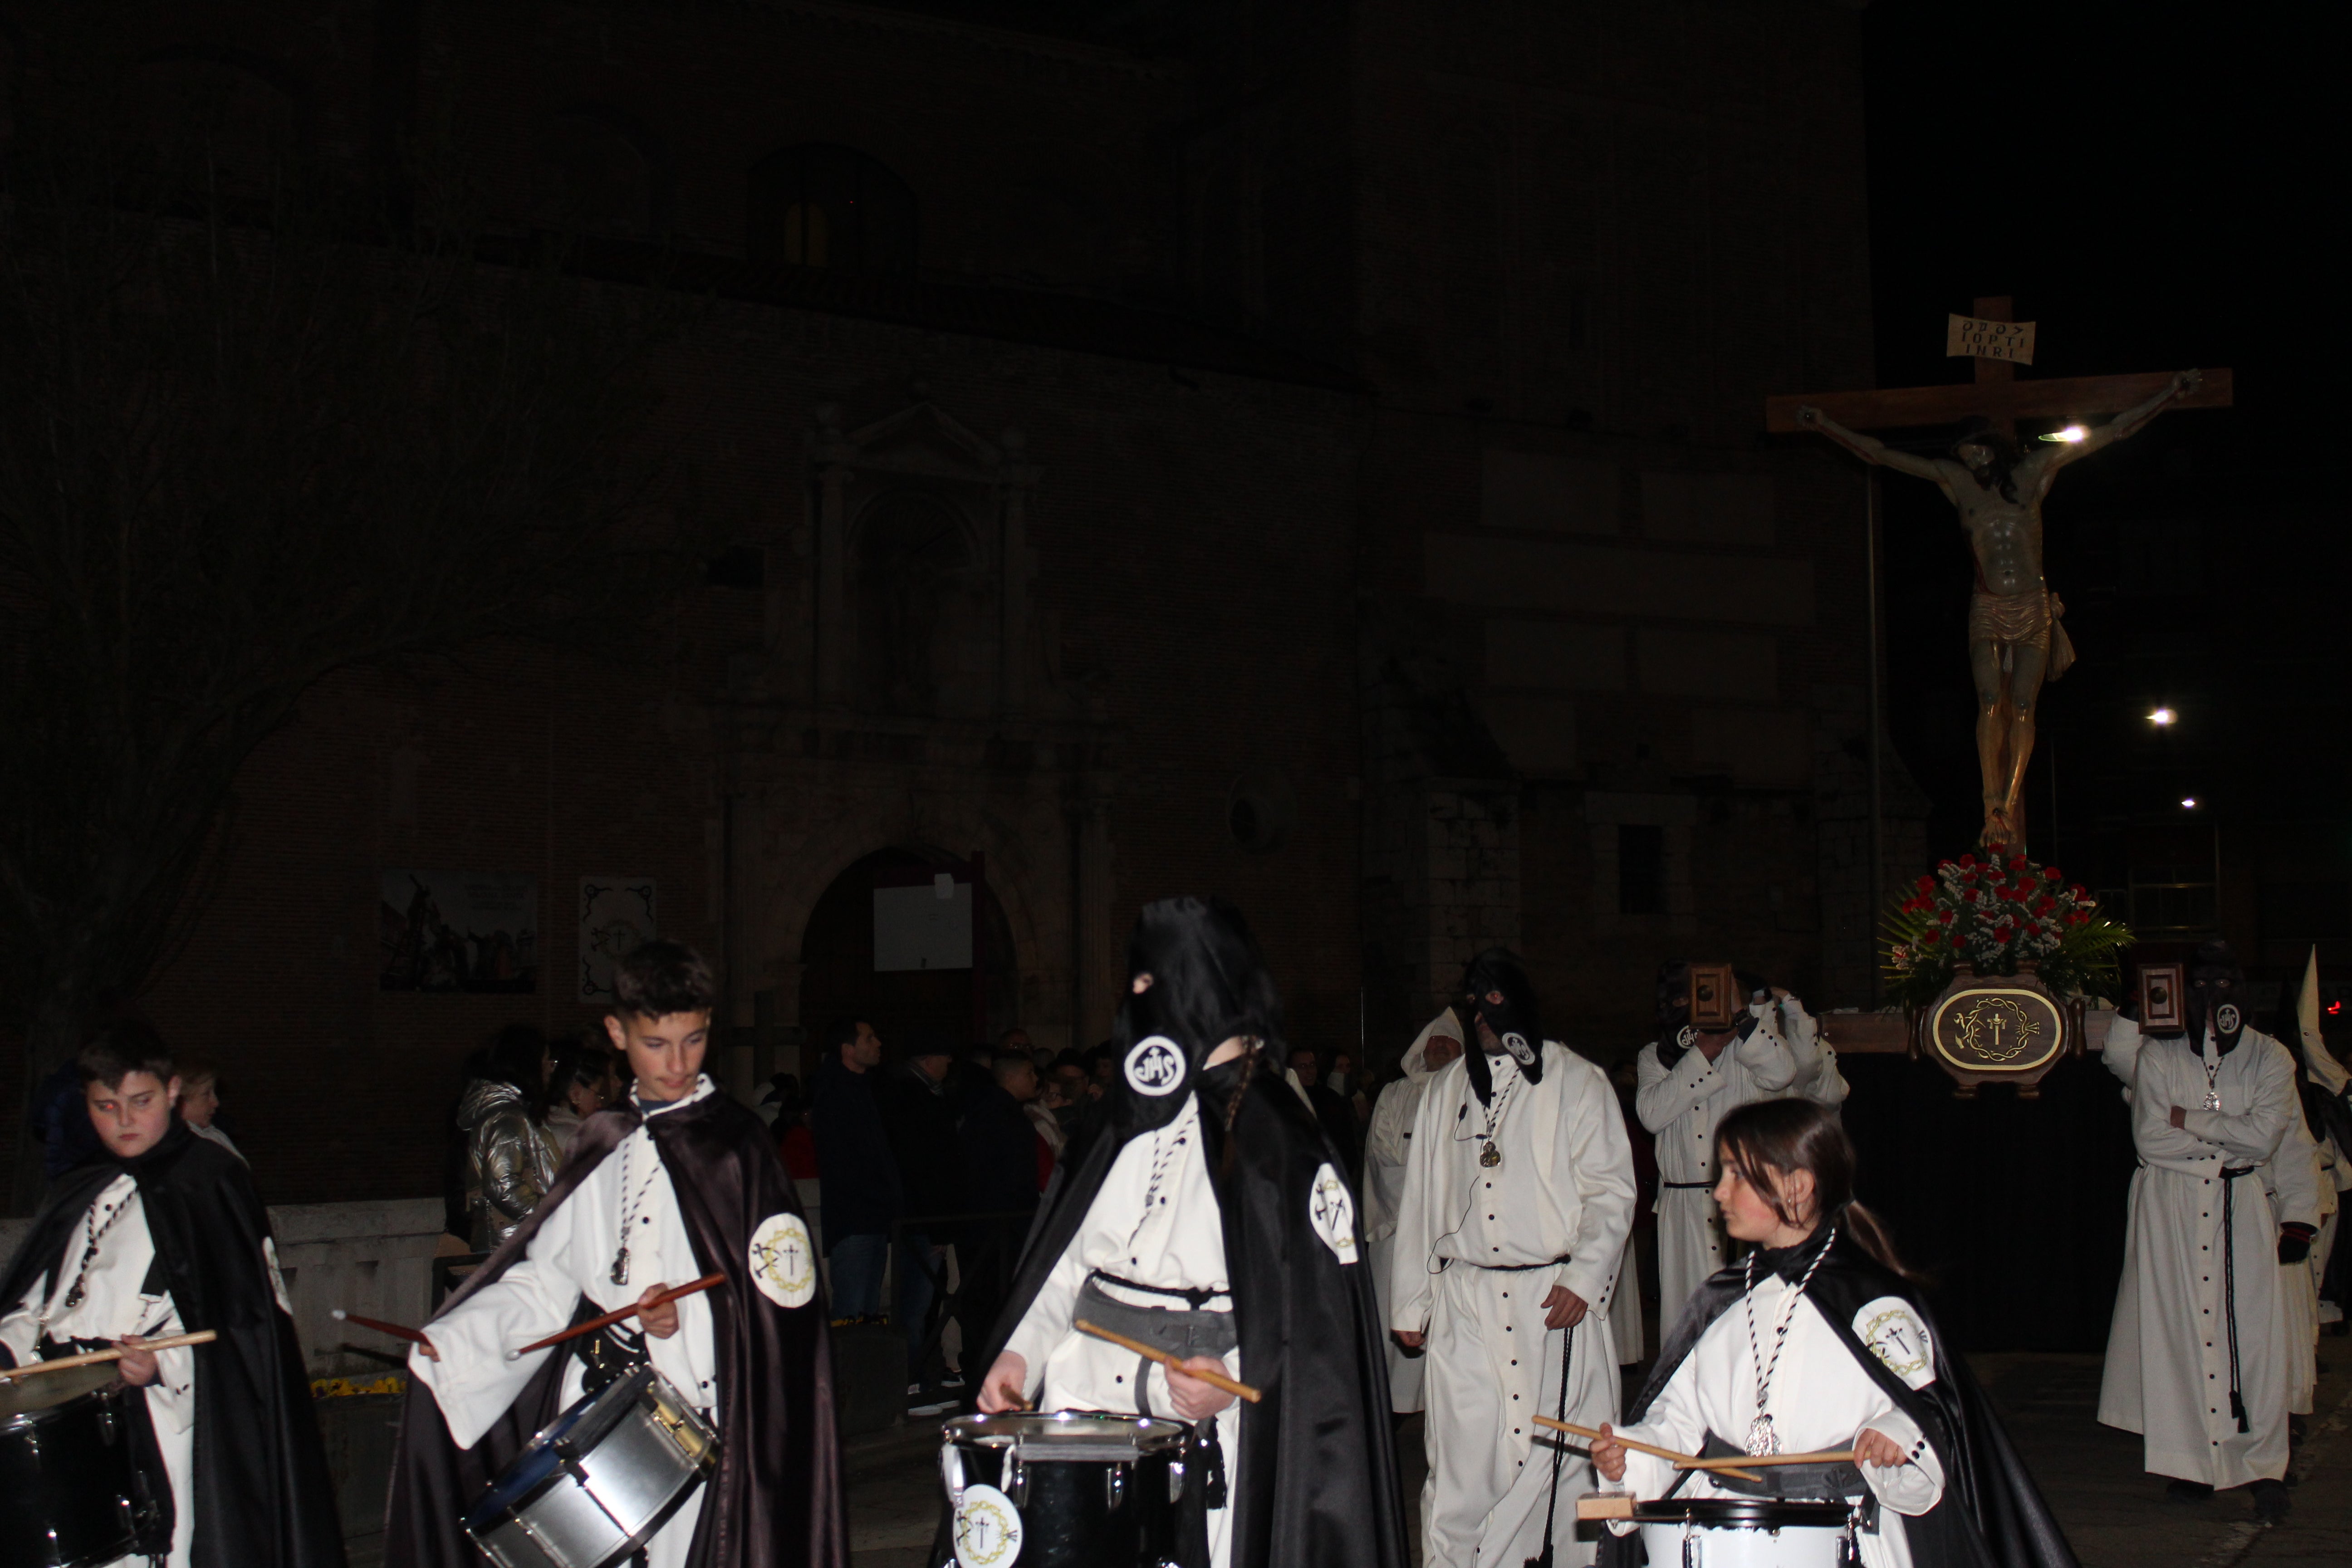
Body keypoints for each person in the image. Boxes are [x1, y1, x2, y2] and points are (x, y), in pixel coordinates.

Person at [975, 897, 1407, 1568]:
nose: (1137, 1003)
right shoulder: (1118, 1116)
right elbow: (1066, 1267)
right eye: (1135, 986)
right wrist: (1021, 1355)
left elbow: (1318, 1321)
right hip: (1081, 1402)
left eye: (1154, 985)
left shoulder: (1279, 1138)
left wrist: (1233, 1374)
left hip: (1206, 1420)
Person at [388, 942, 845, 1568]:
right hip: (589, 1408)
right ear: (618, 1033)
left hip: (686, 1417)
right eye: (657, 1044)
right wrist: (460, 1339)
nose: (678, 1063)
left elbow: (782, 1306)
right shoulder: (602, 1139)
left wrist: (691, 1320)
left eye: (694, 1039)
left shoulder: (740, 1149)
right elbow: (546, 1283)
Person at [1589, 1098, 2076, 1568]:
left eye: (1737, 1174)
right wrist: (1629, 1456)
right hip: (1725, 1537)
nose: (1719, 1191)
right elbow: (1677, 1421)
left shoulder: (1874, 1304)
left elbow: (1931, 1411)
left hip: (1841, 1531)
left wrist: (1894, 1434)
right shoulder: (1721, 1300)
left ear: (1797, 1187)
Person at [0, 1022, 346, 1568]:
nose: (124, 1121)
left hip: (163, 1426)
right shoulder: (82, 1186)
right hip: (69, 1425)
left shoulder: (212, 1183)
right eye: (105, 1105)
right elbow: (40, 1302)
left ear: (173, 1091)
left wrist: (165, 1365)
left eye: (140, 1102)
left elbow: (249, 1336)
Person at [1389, 948, 1637, 1568]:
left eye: (1495, 1002)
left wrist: (1585, 1275)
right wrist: (1411, 1301)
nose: (1483, 1019)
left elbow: (1611, 1191)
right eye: (1474, 1006)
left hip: (1553, 1299)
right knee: (1462, 1457)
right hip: (1467, 1301)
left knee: (1566, 1455)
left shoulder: (1579, 1081)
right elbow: (1420, 1200)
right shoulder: (1445, 1092)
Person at [2096, 940, 2300, 1519]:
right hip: (2175, 1207)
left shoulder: (2270, 1058)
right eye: (2203, 986)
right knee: (2179, 1334)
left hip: (2241, 1201)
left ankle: (2263, 1464)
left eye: (2225, 984)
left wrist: (2192, 1120)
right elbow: (2151, 1140)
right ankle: (2192, 1463)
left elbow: (2264, 1139)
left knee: (2255, 1337)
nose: (2215, 999)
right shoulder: (2161, 1057)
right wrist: (2225, 1133)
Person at [1637, 960, 1812, 1333]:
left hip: (1743, 1201)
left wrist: (1737, 1015)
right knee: (1687, 1317)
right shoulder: (1655, 1056)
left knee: (1743, 1317)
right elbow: (1652, 1115)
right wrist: (1703, 1054)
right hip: (1682, 1210)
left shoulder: (1748, 1048)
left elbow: (1783, 1072)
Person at [1361, 1008, 1463, 1417]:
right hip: (1399, 1225)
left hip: (1452, 1232)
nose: (1437, 1047)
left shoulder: (1470, 1092)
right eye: (1432, 1041)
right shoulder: (1395, 1094)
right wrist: (1420, 1201)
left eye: (1447, 1042)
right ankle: (1395, 1404)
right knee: (1397, 1311)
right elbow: (1381, 1158)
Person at [886, 1033, 964, 1396]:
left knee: (915, 1304)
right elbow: (929, 1167)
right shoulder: (915, 1099)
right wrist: (936, 1227)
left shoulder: (911, 1094)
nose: (948, 1064)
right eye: (945, 1056)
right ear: (929, 1057)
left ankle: (910, 1378)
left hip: (917, 1216)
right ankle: (911, 1382)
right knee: (915, 1305)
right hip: (919, 1219)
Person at [808, 1017, 900, 1319]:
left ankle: (862, 1366)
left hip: (873, 1216)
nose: (878, 1044)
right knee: (852, 1310)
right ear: (848, 1050)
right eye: (870, 1039)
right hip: (853, 1218)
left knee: (868, 1310)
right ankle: (846, 1367)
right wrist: (876, 1195)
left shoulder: (866, 1088)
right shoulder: (834, 1093)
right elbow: (846, 1159)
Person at [461, 1025, 558, 1250]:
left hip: (514, 1244)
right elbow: (503, 1185)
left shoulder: (507, 1114)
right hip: (513, 1247)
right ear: (527, 1065)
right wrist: (553, 1214)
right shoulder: (507, 1119)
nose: (550, 1070)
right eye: (546, 1061)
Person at [1289, 1045, 1363, 1177]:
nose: (1309, 1071)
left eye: (1312, 1065)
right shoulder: (1287, 1101)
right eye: (1302, 1067)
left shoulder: (1331, 1098)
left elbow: (1346, 1140)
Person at [541, 1036, 619, 1157]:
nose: (599, 1104)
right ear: (576, 1093)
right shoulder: (577, 1139)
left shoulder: (545, 1123)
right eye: (597, 1095)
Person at [175, 1052, 243, 1161]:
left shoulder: (213, 1134)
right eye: (206, 1094)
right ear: (180, 1100)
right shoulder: (187, 1147)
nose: (216, 1103)